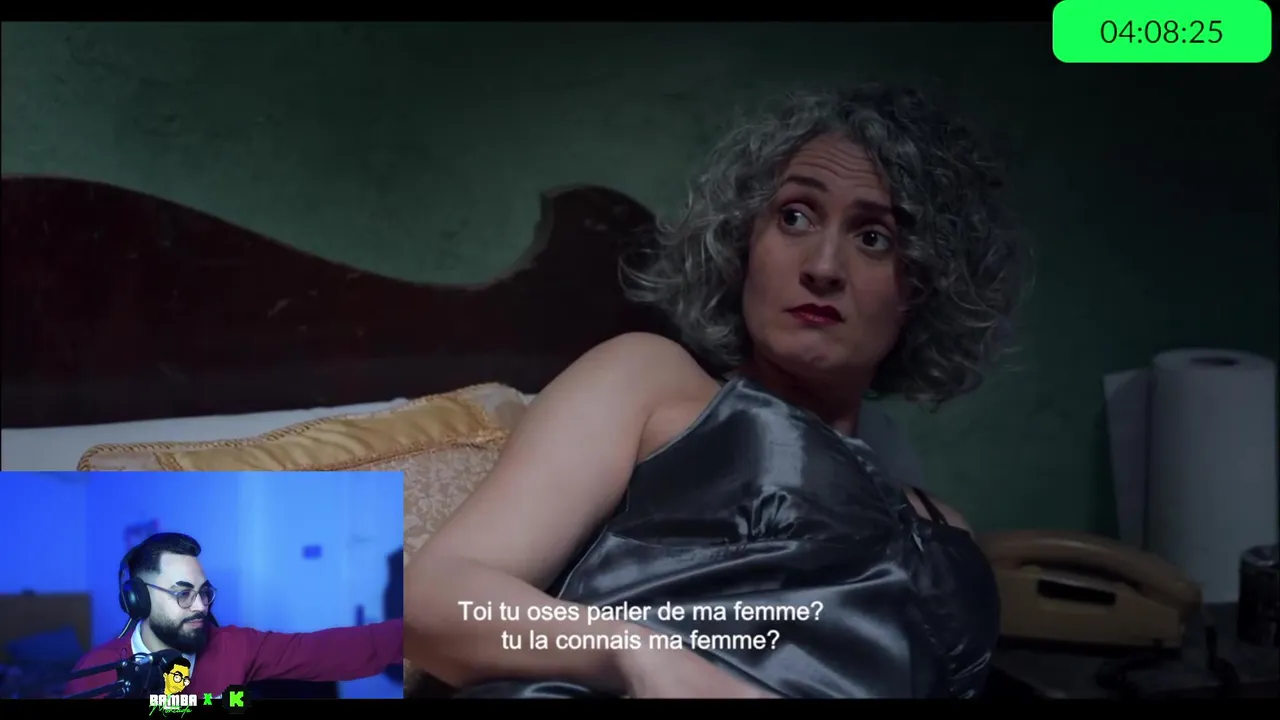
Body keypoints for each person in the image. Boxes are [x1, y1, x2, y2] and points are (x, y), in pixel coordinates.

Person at [404, 85, 1027, 699]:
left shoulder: (946, 530)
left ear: (923, 285)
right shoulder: (651, 378)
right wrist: (638, 654)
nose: (823, 267)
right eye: (794, 216)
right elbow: (432, 601)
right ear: (742, 243)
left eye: (873, 237)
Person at [66, 533, 403, 698]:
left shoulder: (235, 646)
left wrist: (416, 633)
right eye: (183, 593)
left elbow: (320, 651)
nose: (201, 606)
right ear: (139, 599)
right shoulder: (97, 671)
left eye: (204, 592)